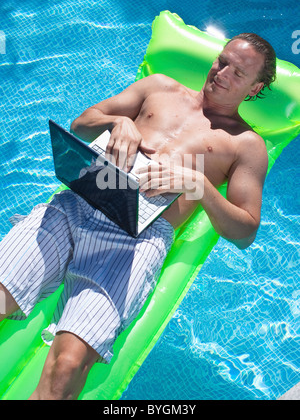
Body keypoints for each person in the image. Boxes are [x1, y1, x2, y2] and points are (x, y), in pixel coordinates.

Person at [0, 33, 276, 400]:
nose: (222, 73)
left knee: (68, 364)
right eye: (221, 61)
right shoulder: (160, 88)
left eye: (238, 73)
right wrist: (115, 123)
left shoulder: (245, 144)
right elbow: (82, 124)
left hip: (137, 237)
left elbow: (244, 232)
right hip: (80, 199)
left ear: (255, 87)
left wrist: (198, 185)